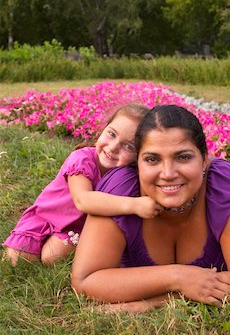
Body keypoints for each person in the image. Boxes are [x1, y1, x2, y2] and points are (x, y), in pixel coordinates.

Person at [71, 104, 230, 313]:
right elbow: (85, 281)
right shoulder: (120, 190)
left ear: (204, 160)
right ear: (137, 163)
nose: (167, 173)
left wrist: (147, 302)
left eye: (183, 157)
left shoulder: (224, 186)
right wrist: (179, 279)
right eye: (152, 159)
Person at [3, 103, 162, 266]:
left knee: (51, 258)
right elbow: (82, 200)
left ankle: (79, 244)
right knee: (18, 259)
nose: (113, 148)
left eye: (128, 146)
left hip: (78, 227)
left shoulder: (126, 176)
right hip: (47, 216)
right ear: (103, 128)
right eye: (111, 134)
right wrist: (135, 205)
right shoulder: (82, 159)